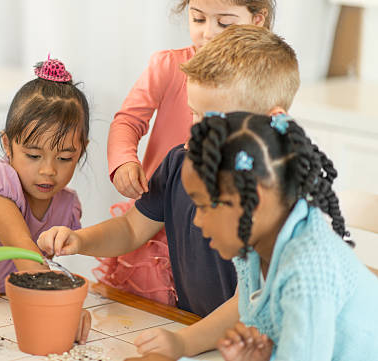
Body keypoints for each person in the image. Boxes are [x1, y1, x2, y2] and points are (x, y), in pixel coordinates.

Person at [39, 25, 299, 359]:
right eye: (194, 112)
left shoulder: (275, 194)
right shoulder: (180, 161)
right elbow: (132, 228)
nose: (196, 127)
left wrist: (183, 343)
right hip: (196, 330)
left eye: (212, 118)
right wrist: (81, 241)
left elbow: (248, 302)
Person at [99, 0, 276, 306]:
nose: (208, 34)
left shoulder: (260, 84)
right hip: (154, 222)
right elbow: (128, 120)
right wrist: (124, 160)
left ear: (256, 20)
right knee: (146, 323)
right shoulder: (168, 66)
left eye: (224, 23)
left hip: (212, 235)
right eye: (198, 19)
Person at [182, 111, 378, 361]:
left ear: (253, 202)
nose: (197, 220)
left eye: (204, 205)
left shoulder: (306, 271)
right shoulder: (252, 250)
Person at [0, 56, 91, 343]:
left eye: (64, 158)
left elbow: (40, 273)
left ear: (81, 151)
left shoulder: (66, 207)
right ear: (7, 145)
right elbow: (25, 254)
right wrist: (64, 308)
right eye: (33, 156)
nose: (48, 170)